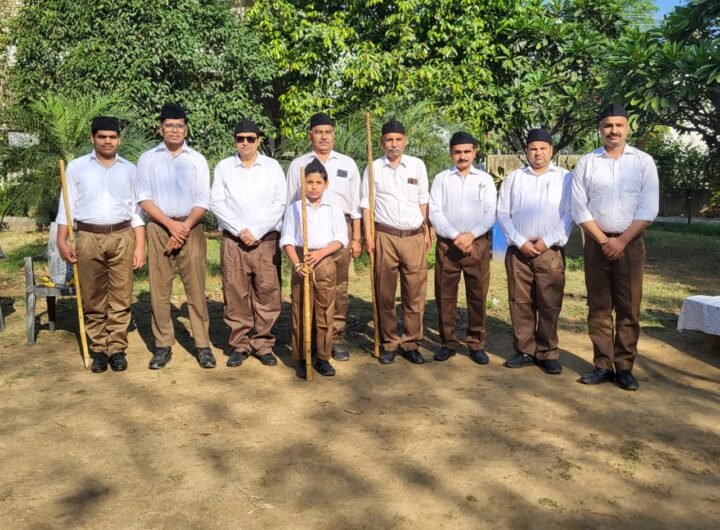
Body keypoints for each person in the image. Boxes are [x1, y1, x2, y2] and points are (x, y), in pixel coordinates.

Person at [572, 103, 659, 390]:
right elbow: (579, 208)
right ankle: (602, 365)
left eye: (619, 125)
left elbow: (649, 208)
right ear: (600, 129)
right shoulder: (587, 162)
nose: (613, 130)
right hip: (596, 245)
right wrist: (603, 240)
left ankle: (624, 368)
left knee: (628, 307)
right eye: (608, 125)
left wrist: (621, 240)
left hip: (630, 244)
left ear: (627, 128)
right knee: (598, 307)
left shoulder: (643, 162)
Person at [57, 116, 146, 373]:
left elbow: (137, 211)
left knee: (121, 294)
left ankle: (116, 348)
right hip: (88, 237)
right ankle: (98, 348)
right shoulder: (77, 167)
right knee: (93, 295)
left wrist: (140, 245)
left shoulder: (130, 169)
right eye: (102, 136)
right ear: (92, 138)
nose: (108, 141)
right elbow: (66, 206)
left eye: (112, 137)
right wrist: (61, 240)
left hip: (122, 235)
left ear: (119, 139)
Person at [136, 103, 214, 370]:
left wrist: (183, 228)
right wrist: (170, 225)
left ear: (186, 129)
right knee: (160, 289)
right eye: (169, 125)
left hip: (191, 227)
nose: (174, 130)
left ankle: (202, 345)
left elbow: (203, 200)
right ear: (161, 129)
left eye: (179, 126)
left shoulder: (197, 159)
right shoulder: (148, 159)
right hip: (159, 228)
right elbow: (144, 198)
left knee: (196, 288)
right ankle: (162, 345)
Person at [210, 118, 286, 368]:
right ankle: (240, 344)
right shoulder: (224, 167)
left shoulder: (272, 167)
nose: (245, 143)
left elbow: (280, 202)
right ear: (235, 141)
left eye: (250, 139)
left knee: (267, 293)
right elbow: (217, 202)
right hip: (234, 242)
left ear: (258, 140)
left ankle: (263, 344)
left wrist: (256, 231)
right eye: (240, 139)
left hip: (266, 241)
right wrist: (240, 230)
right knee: (235, 293)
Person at [286, 112, 361, 361]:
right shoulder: (298, 165)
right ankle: (308, 340)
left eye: (328, 132)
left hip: (339, 231)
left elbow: (356, 205)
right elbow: (290, 202)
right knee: (306, 288)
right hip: (306, 231)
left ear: (334, 135)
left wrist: (357, 237)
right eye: (318, 132)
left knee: (337, 287)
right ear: (310, 136)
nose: (324, 137)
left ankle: (334, 339)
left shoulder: (347, 164)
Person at [497, 129, 573, 374]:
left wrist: (546, 241)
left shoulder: (566, 178)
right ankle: (525, 350)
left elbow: (570, 213)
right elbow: (502, 213)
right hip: (519, 251)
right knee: (520, 302)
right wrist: (520, 242)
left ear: (551, 150)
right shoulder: (514, 178)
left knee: (549, 303)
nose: (538, 153)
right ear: (526, 151)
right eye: (533, 149)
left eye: (543, 148)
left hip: (550, 251)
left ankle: (547, 352)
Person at [362, 119, 431, 365]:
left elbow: (423, 200)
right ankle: (389, 342)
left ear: (405, 141)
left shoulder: (417, 165)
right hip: (385, 236)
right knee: (385, 294)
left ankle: (411, 342)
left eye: (398, 139)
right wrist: (368, 237)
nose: (394, 144)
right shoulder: (373, 168)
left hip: (413, 236)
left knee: (415, 294)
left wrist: (426, 230)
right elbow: (366, 205)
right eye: (389, 140)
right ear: (382, 143)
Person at [429, 132, 497, 365]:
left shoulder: (484, 179)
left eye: (467, 151)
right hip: (448, 245)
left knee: (477, 295)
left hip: (477, 244)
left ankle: (476, 343)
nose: (462, 156)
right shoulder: (441, 179)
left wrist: (471, 236)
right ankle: (448, 342)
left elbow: (490, 212)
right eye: (457, 152)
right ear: (451, 153)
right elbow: (435, 212)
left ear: (474, 152)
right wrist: (456, 236)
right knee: (445, 295)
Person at [281, 158, 348, 378]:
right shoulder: (295, 209)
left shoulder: (334, 209)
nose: (313, 187)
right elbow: (287, 239)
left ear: (326, 184)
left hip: (324, 260)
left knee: (325, 310)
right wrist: (297, 263)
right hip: (301, 261)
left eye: (318, 182)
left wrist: (320, 254)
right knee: (301, 309)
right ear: (303, 184)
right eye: (309, 182)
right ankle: (303, 356)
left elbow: (341, 239)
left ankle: (323, 357)